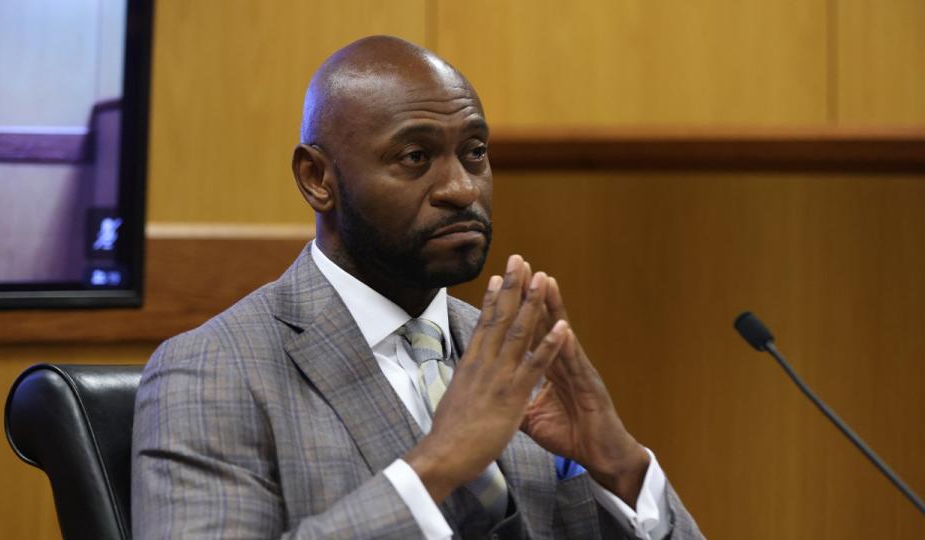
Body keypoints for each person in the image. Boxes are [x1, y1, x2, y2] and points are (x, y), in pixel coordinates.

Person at [131, 35, 704, 540]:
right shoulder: (213, 370)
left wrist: (620, 466)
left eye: (474, 152)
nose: (460, 188)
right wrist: (436, 465)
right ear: (318, 179)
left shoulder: (515, 359)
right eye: (415, 157)